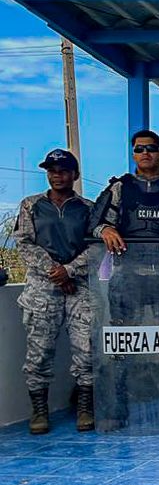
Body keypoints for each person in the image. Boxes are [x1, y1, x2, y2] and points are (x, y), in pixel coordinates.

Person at [89, 130, 159, 428]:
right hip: (127, 278)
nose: (145, 153)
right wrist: (106, 230)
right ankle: (116, 411)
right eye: (139, 149)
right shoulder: (119, 189)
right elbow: (94, 223)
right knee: (121, 348)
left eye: (151, 148)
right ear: (133, 154)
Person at [14, 149, 94, 434]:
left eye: (63, 171)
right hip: (42, 288)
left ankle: (85, 407)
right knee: (39, 352)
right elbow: (24, 243)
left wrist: (69, 270)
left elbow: (95, 247)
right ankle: (39, 411)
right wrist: (56, 272)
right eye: (51, 171)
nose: (57, 176)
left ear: (75, 174)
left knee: (87, 349)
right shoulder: (31, 205)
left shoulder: (88, 208)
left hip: (79, 287)